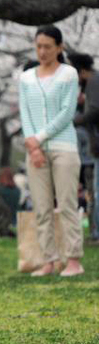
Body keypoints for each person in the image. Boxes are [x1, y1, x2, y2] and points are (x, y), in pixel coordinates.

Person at [18, 25, 84, 277]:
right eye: (38, 46)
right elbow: (24, 113)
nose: (42, 51)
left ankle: (74, 260)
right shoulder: (26, 78)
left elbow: (67, 112)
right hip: (35, 151)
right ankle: (49, 260)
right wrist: (32, 145)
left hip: (64, 148)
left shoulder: (68, 74)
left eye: (47, 46)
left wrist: (39, 138)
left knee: (67, 204)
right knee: (41, 207)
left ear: (59, 47)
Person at [69, 52, 99, 241]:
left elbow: (95, 110)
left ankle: (97, 233)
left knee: (96, 190)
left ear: (80, 71)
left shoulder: (94, 82)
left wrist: (74, 121)